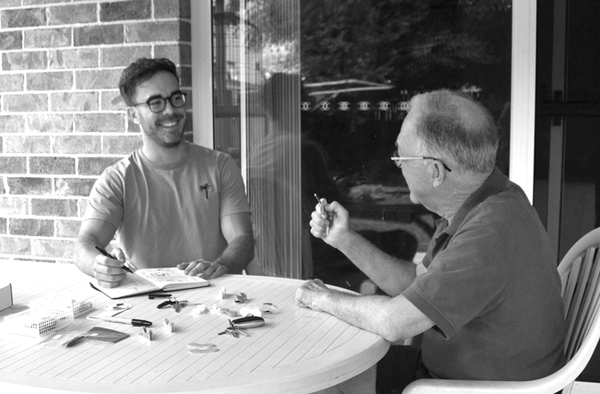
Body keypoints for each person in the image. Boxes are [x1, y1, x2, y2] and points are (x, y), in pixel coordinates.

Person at [296, 89, 566, 391]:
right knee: (334, 374)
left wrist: (321, 299)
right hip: (447, 376)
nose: (397, 164)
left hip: (473, 390)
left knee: (323, 382)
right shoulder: (486, 202)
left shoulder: (489, 230)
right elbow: (416, 285)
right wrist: (345, 240)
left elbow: (394, 322)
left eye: (400, 156)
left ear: (435, 171)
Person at [75, 57, 254, 288]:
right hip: (146, 302)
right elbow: (84, 245)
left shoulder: (219, 166)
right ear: (132, 115)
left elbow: (243, 240)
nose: (171, 110)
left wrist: (221, 265)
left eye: (176, 98)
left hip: (214, 298)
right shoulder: (117, 180)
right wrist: (99, 264)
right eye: (155, 103)